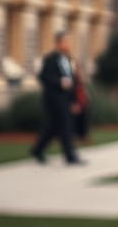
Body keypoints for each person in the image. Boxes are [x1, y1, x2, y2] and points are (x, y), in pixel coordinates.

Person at [30, 31, 85, 165]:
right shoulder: (51, 59)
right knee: (66, 126)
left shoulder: (67, 59)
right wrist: (59, 82)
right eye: (66, 42)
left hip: (66, 99)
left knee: (53, 127)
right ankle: (70, 156)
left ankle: (37, 150)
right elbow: (43, 77)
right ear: (59, 43)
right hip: (54, 99)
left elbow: (72, 82)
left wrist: (74, 101)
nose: (69, 45)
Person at [70, 57, 91, 143]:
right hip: (76, 102)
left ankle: (82, 136)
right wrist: (74, 103)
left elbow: (80, 89)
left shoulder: (77, 77)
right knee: (75, 121)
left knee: (83, 120)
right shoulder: (71, 78)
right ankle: (76, 137)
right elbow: (71, 92)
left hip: (82, 101)